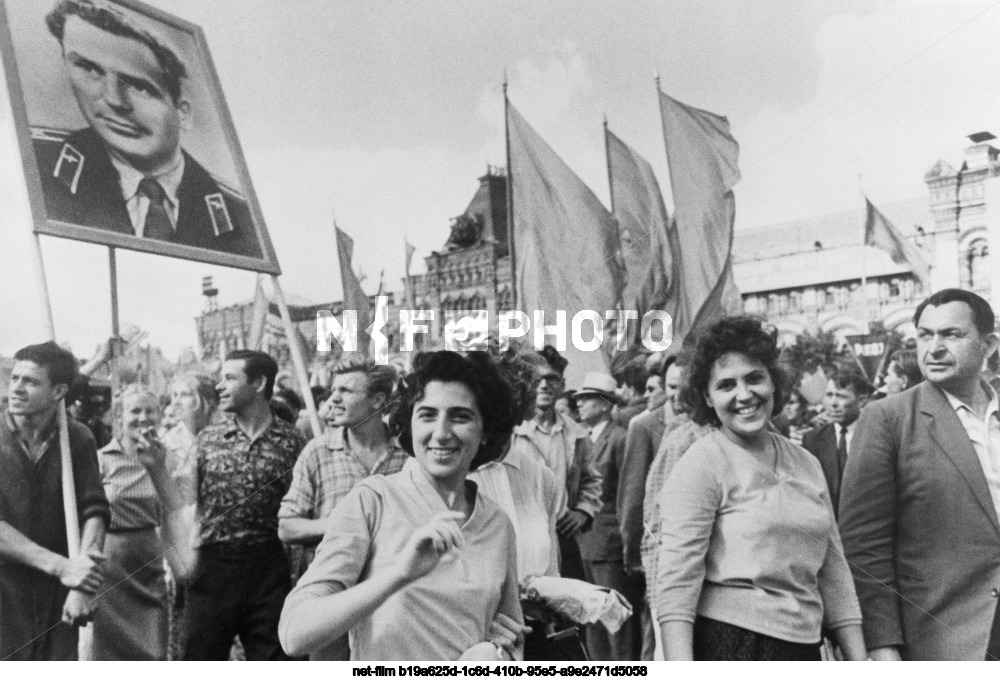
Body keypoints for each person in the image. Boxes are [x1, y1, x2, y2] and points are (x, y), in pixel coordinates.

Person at [279, 351, 527, 661]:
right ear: (409, 423)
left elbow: (512, 635)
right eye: (427, 415)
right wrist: (399, 574)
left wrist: (501, 650)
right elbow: (294, 634)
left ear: (486, 429)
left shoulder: (497, 523)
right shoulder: (373, 500)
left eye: (460, 416)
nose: (441, 433)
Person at [655, 316, 866, 660]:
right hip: (731, 646)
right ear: (707, 397)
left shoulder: (807, 462)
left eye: (754, 378)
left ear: (774, 383)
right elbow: (677, 584)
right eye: (726, 385)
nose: (744, 395)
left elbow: (834, 571)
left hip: (804, 648)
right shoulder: (701, 464)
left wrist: (860, 662)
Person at [840, 288, 1000, 660]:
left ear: (988, 345)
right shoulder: (888, 419)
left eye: (951, 335)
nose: (934, 347)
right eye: (925, 335)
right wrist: (882, 646)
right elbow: (864, 547)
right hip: (942, 641)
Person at [35, 0, 261, 257]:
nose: (114, 101)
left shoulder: (238, 218)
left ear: (182, 114)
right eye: (90, 69)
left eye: (140, 87)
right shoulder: (40, 168)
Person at [278, 359, 409, 660]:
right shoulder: (318, 452)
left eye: (346, 391)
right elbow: (287, 527)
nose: (333, 398)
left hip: (395, 600)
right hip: (333, 603)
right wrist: (343, 524)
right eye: (334, 390)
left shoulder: (408, 453)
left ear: (378, 401)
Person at [184, 350, 307, 660]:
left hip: (269, 568)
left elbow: (304, 508)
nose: (219, 387)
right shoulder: (206, 440)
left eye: (229, 378)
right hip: (212, 566)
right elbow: (185, 503)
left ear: (259, 383)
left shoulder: (293, 443)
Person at [0, 342, 110, 660]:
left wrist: (82, 584)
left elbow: (95, 510)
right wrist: (63, 567)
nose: (16, 389)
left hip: (56, 597)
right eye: (15, 378)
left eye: (30, 381)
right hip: (6, 590)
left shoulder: (76, 437)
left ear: (59, 391)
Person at [90, 384, 195, 660]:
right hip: (109, 565)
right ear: (119, 417)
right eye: (135, 410)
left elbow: (178, 509)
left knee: (153, 650)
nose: (143, 417)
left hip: (150, 560)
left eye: (150, 411)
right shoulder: (100, 460)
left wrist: (158, 467)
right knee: (107, 654)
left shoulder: (168, 459)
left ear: (160, 415)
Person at [510, 347, 602, 581]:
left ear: (561, 385)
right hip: (520, 535)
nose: (544, 385)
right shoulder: (512, 429)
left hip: (562, 535)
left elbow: (591, 479)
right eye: (536, 379)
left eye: (551, 379)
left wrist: (582, 511)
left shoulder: (575, 433)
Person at [618, 354, 684, 659]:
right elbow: (632, 496)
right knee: (655, 635)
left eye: (685, 387)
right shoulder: (645, 425)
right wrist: (633, 554)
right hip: (655, 549)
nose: (678, 395)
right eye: (671, 387)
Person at [574, 373, 641, 661]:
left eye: (586, 398)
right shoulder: (582, 439)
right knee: (592, 618)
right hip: (585, 543)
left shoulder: (619, 439)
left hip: (610, 544)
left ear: (604, 404)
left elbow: (629, 491)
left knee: (616, 622)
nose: (580, 404)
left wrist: (627, 541)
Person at [159, 372, 219, 659]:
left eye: (184, 394)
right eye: (174, 396)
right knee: (181, 611)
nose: (177, 402)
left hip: (217, 532)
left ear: (202, 400)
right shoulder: (168, 442)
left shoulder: (220, 436)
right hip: (181, 532)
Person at [800, 370, 872, 516]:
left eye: (841, 396)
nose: (833, 403)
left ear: (862, 400)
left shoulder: (876, 436)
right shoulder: (812, 439)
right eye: (829, 395)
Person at [611, 361, 648, 427]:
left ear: (632, 390)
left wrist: (615, 416)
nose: (622, 387)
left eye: (623, 384)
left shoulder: (623, 415)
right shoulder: (650, 403)